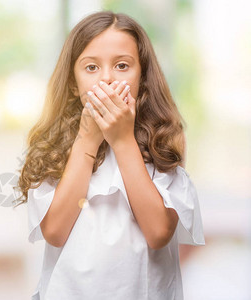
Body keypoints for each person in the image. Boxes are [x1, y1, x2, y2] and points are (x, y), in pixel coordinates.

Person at [14, 11, 205, 300]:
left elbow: (158, 233)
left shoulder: (161, 143)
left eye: (122, 65)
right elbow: (55, 231)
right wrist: (86, 142)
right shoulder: (53, 148)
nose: (106, 78)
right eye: (91, 68)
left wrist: (123, 140)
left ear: (142, 77)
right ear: (73, 82)